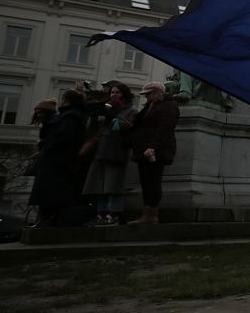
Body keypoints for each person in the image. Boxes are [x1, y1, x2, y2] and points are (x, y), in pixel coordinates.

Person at [81, 82, 137, 226]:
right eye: (112, 92)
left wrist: (113, 115)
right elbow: (91, 130)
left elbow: (124, 127)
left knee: (113, 186)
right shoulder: (104, 109)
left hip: (117, 151)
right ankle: (101, 214)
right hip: (101, 151)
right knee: (99, 186)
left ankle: (114, 215)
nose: (114, 95)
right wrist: (94, 115)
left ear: (124, 94)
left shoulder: (130, 111)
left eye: (117, 92)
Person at [28, 90, 87, 226]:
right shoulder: (69, 115)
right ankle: (46, 219)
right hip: (56, 160)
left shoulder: (71, 116)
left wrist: (46, 146)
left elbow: (64, 136)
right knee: (48, 193)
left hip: (57, 161)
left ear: (66, 100)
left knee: (51, 193)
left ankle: (49, 219)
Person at [127, 81, 179, 226]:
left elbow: (164, 129)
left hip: (156, 150)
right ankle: (147, 213)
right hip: (145, 149)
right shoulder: (151, 106)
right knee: (146, 181)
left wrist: (153, 147)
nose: (145, 97)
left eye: (148, 94)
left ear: (156, 93)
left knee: (153, 181)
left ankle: (151, 215)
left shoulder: (168, 106)